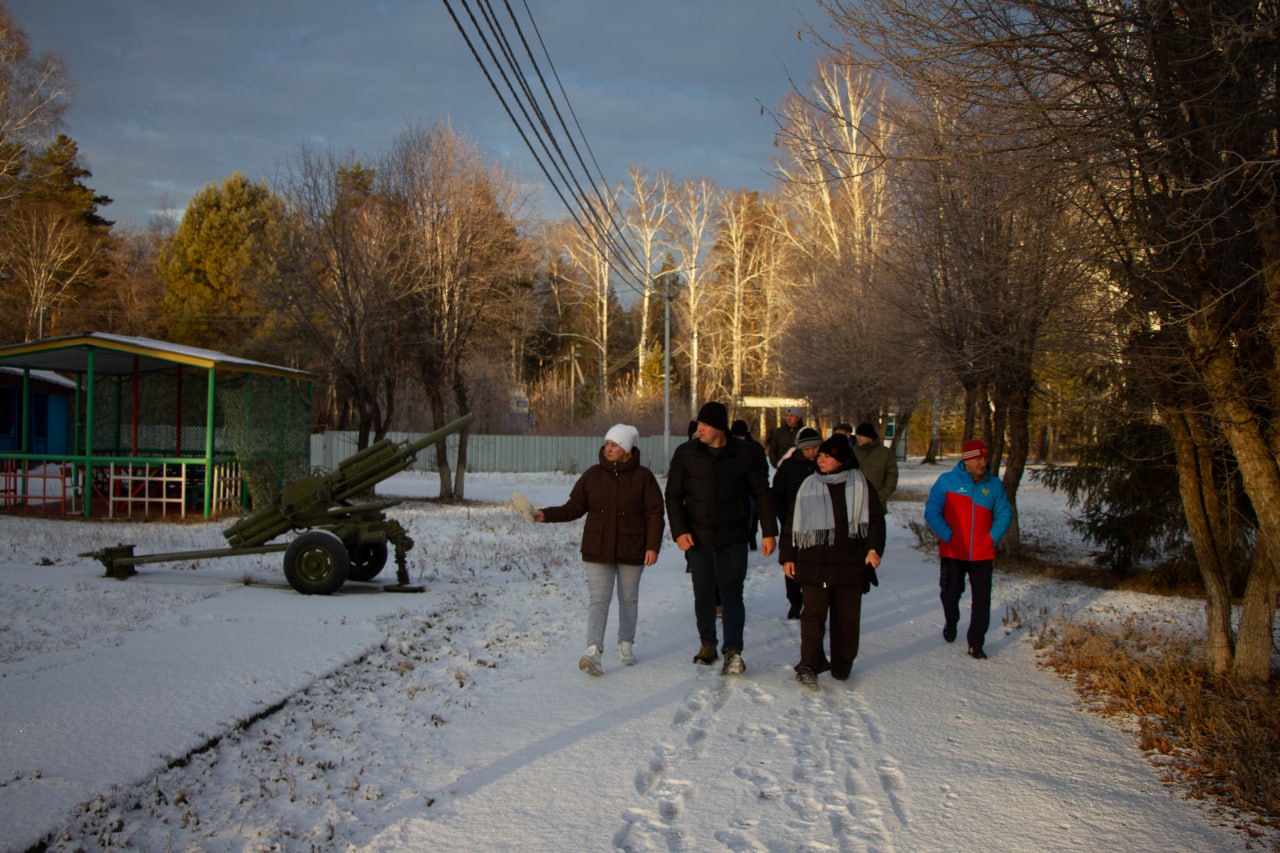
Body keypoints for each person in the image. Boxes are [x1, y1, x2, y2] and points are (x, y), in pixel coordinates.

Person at [534, 424, 665, 675]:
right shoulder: (593, 475)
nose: (609, 449)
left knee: (628, 599)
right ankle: (593, 651)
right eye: (607, 444)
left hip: (632, 548)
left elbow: (655, 514)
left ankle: (626, 643)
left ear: (626, 449)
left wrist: (652, 546)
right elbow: (573, 507)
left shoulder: (643, 478)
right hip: (597, 549)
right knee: (598, 600)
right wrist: (546, 515)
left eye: (614, 445)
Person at [666, 401, 777, 675]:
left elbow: (762, 493)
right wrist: (679, 531)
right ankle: (707, 644)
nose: (698, 429)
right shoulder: (686, 453)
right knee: (703, 592)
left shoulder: (747, 454)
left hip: (734, 534)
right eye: (699, 424)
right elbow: (673, 496)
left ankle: (733, 650)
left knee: (731, 592)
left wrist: (769, 531)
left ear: (718, 427)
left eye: (704, 425)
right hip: (698, 536)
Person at [780, 434, 885, 686]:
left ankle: (842, 662)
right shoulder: (808, 486)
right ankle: (809, 663)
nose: (821, 459)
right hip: (813, 563)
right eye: (821, 456)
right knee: (812, 616)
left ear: (841, 459)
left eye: (827, 456)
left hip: (849, 565)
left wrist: (873, 549)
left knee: (846, 619)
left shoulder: (861, 485)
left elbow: (875, 521)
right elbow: (792, 523)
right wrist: (788, 557)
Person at [924, 438, 1012, 660]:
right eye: (978, 458)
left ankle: (976, 642)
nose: (983, 462)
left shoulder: (993, 485)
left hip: (982, 553)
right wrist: (948, 536)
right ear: (967, 459)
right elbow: (932, 511)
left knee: (982, 599)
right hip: (954, 551)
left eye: (985, 457)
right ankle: (951, 621)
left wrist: (991, 538)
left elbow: (1004, 513)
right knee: (951, 593)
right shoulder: (947, 482)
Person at [770, 425, 822, 618]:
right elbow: (777, 494)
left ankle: (812, 602)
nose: (811, 452)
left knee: (815, 565)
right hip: (792, 524)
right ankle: (794, 601)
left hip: (820, 525)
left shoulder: (824, 464)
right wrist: (784, 518)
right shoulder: (789, 466)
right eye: (807, 449)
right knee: (791, 563)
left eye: (815, 448)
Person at [731, 419, 768, 550]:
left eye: (740, 436)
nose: (738, 438)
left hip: (751, 488)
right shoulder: (730, 447)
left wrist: (763, 483)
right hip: (735, 489)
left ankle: (750, 537)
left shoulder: (754, 448)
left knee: (752, 515)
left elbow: (763, 467)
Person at [853, 422, 899, 510]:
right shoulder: (852, 452)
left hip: (876, 505)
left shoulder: (885, 453)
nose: (858, 438)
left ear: (870, 437)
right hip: (853, 503)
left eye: (861, 435)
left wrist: (882, 495)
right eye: (857, 435)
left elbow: (892, 475)